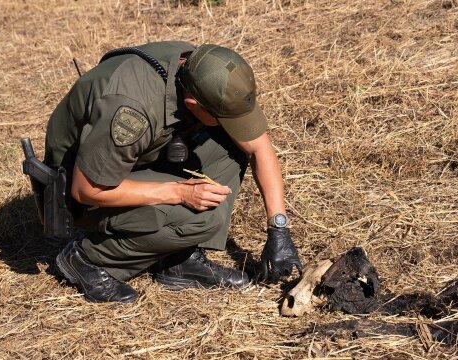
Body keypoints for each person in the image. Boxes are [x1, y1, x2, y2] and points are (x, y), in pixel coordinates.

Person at [43, 41, 303, 303]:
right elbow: (86, 189)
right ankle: (88, 259)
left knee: (230, 145)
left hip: (137, 156)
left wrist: (278, 228)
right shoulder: (130, 113)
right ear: (192, 103)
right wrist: (179, 193)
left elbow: (258, 147)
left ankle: (178, 259)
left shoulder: (206, 73)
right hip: (84, 186)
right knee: (205, 217)